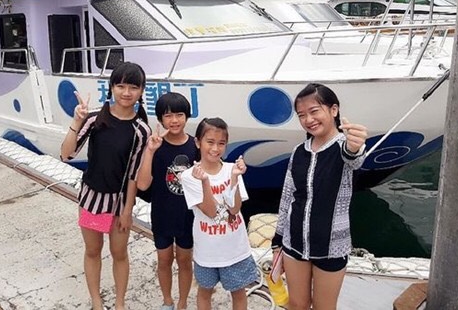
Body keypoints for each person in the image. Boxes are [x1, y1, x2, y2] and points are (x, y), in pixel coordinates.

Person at [60, 62, 151, 310]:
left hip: (119, 203)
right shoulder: (94, 119)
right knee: (93, 250)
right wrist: (76, 121)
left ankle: (120, 303)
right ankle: (97, 301)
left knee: (119, 253)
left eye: (133, 87)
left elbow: (133, 174)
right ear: (111, 87)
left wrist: (128, 210)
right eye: (120, 86)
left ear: (141, 91)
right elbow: (66, 154)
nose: (126, 92)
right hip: (92, 198)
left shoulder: (141, 130)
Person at [271, 83, 368, 310]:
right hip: (294, 243)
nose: (308, 119)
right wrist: (278, 241)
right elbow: (287, 198)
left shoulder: (345, 148)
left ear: (334, 110)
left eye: (314, 111)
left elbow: (354, 159)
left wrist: (356, 146)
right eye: (301, 115)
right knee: (297, 305)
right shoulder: (299, 152)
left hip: (332, 247)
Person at [180, 118, 258, 310]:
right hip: (207, 251)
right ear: (198, 142)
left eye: (221, 143)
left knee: (238, 292)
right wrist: (205, 182)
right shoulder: (189, 176)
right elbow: (211, 211)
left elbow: (235, 209)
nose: (215, 148)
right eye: (210, 142)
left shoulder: (232, 169)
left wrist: (234, 178)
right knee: (205, 292)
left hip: (235, 248)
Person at [137, 92, 198, 310]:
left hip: (187, 216)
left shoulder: (195, 146)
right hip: (162, 214)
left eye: (179, 115)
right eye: (168, 115)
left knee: (184, 260)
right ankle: (167, 301)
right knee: (163, 260)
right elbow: (143, 185)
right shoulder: (155, 146)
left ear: (187, 116)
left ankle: (182, 302)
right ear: (160, 119)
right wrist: (150, 151)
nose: (174, 120)